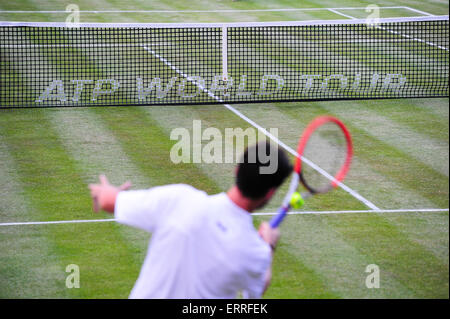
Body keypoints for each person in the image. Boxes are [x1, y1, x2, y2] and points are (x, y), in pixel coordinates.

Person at [89, 141, 292, 298]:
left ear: (236, 170)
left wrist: (108, 191)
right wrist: (268, 247)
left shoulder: (179, 198)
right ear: (269, 194)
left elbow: (108, 201)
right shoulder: (255, 252)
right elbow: (258, 286)